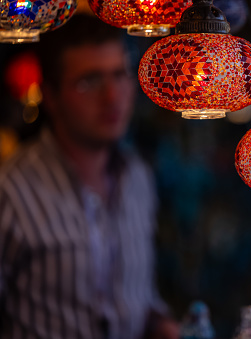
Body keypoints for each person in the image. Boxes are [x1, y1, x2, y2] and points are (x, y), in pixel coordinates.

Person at [0, 15, 177, 339]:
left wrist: (162, 325)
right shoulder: (10, 191)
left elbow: (140, 296)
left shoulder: (138, 177)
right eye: (90, 81)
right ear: (50, 96)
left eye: (119, 75)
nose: (112, 97)